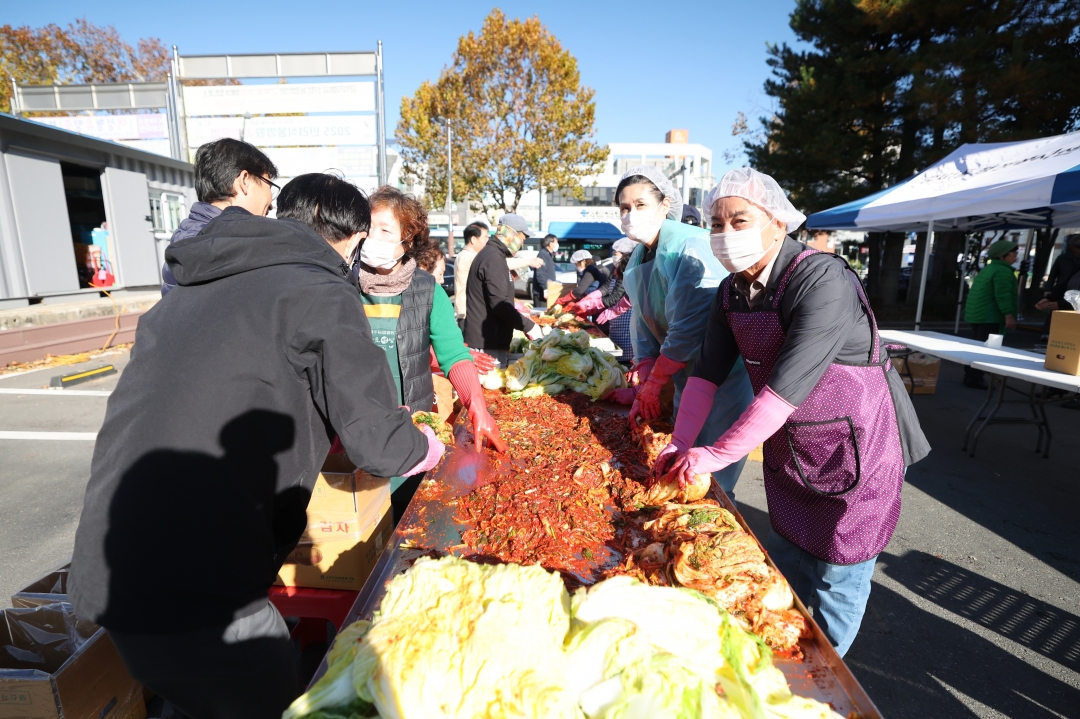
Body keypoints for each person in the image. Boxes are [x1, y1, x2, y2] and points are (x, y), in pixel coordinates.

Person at [69, 172, 444, 719]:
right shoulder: (321, 288)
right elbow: (379, 442)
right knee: (270, 698)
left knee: (196, 698)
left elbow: (242, 381)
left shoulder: (194, 288)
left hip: (109, 570)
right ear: (349, 238)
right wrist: (428, 448)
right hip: (200, 588)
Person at [655, 167, 930, 658]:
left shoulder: (823, 279)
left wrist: (716, 454)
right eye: (716, 224)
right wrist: (679, 441)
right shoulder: (731, 291)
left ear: (778, 223)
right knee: (786, 560)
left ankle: (818, 678)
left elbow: (785, 389)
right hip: (792, 443)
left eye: (739, 221)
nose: (724, 234)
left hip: (857, 445)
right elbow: (704, 376)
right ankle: (777, 647)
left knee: (836, 574)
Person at [604, 164, 754, 503]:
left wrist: (656, 380)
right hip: (680, 373)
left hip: (720, 378)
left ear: (665, 204)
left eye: (640, 205)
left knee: (707, 471)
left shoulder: (691, 245)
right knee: (678, 457)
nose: (630, 214)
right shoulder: (641, 255)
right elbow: (641, 320)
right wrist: (644, 367)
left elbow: (690, 325)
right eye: (624, 208)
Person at [354, 185, 507, 517]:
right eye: (368, 228)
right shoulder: (341, 285)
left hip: (409, 428)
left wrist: (476, 403)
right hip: (351, 431)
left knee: (405, 518)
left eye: (384, 230)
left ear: (407, 240)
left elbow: (453, 354)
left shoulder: (427, 291)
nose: (372, 237)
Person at [161, 138, 279, 296]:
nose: (271, 203)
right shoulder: (222, 243)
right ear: (244, 181)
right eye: (269, 185)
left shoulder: (191, 235)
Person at [463, 213, 544, 364]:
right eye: (522, 238)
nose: (522, 243)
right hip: (486, 343)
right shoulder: (493, 258)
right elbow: (499, 304)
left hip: (490, 340)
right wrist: (529, 326)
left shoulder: (494, 255)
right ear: (512, 234)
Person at [962, 239, 1019, 389]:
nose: (1016, 257)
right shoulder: (1002, 271)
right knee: (984, 349)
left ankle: (970, 376)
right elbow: (1003, 295)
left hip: (978, 314)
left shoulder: (989, 268)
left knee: (977, 346)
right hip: (990, 316)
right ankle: (975, 378)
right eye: (1013, 254)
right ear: (1002, 256)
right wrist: (1009, 315)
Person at [454, 222, 490, 319]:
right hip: (469, 312)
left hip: (467, 311)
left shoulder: (465, 255)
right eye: (485, 238)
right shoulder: (470, 256)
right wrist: (529, 262)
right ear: (473, 239)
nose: (487, 241)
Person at [533, 234, 559, 307]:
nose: (557, 245)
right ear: (550, 243)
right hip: (542, 293)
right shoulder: (543, 254)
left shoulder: (549, 254)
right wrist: (545, 288)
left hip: (548, 291)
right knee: (540, 315)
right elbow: (540, 273)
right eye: (556, 242)